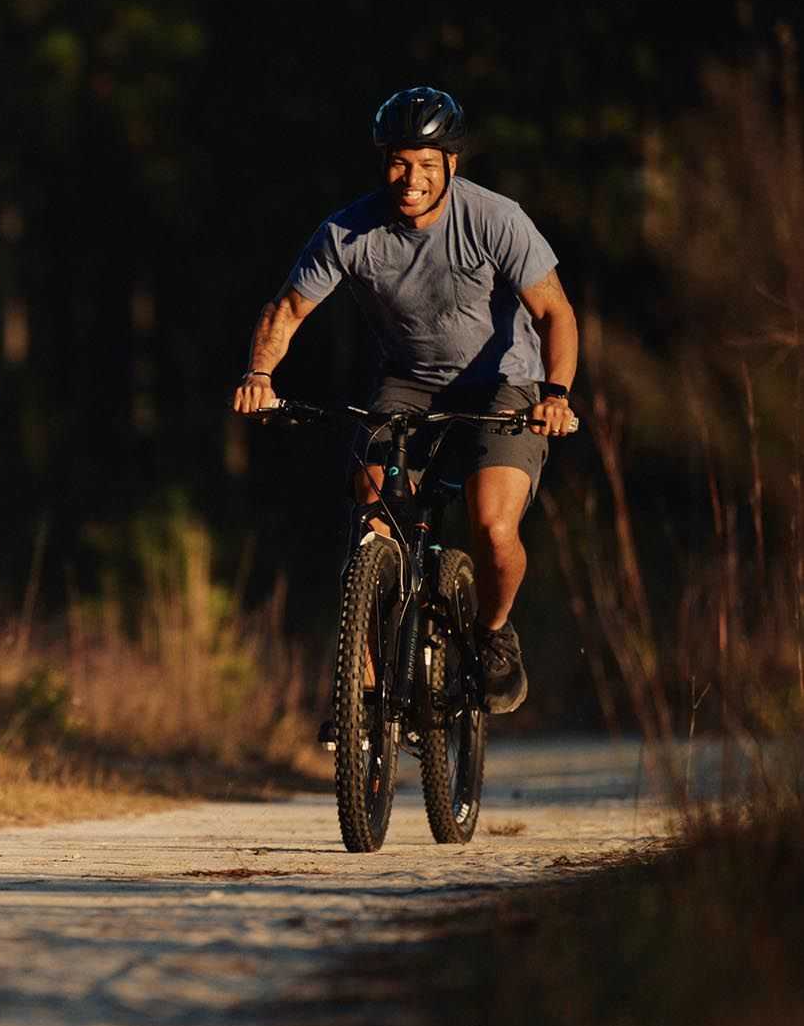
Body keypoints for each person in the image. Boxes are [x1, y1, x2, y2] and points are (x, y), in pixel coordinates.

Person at [233, 86, 577, 716]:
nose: (410, 179)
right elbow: (287, 309)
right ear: (382, 161)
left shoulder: (495, 219)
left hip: (507, 381)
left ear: (452, 164)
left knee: (493, 526)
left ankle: (495, 633)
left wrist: (555, 393)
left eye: (426, 163)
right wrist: (260, 374)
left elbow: (555, 311)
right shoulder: (350, 230)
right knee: (370, 524)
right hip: (412, 381)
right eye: (398, 161)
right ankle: (362, 686)